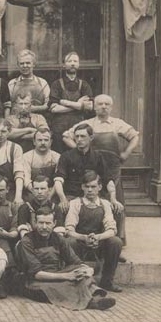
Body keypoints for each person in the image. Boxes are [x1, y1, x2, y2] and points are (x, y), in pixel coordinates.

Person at [62, 94, 139, 243]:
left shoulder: (118, 124)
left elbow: (135, 136)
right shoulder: (87, 124)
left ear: (111, 107)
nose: (103, 107)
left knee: (115, 202)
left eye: (106, 104)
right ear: (94, 107)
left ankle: (117, 238)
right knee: (92, 202)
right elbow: (66, 136)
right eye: (100, 104)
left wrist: (126, 153)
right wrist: (80, 149)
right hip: (93, 167)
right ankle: (90, 236)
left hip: (112, 167)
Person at [18, 208, 116, 311]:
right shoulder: (27, 241)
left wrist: (87, 269)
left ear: (54, 223)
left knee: (80, 273)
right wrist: (67, 276)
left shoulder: (58, 238)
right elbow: (36, 273)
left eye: (48, 223)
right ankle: (92, 302)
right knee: (61, 286)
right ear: (35, 223)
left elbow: (74, 260)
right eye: (41, 223)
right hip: (36, 280)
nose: (44, 227)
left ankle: (95, 295)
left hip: (58, 272)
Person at [64, 171, 124, 293]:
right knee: (69, 242)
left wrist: (98, 237)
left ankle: (107, 281)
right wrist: (84, 237)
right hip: (80, 242)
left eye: (93, 187)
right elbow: (69, 230)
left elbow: (112, 230)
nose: (90, 190)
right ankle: (75, 281)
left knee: (116, 242)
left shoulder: (105, 204)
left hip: (99, 243)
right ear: (82, 187)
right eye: (87, 187)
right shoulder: (75, 203)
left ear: (100, 187)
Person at [54, 124, 121, 217]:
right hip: (72, 196)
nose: (79, 139)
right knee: (60, 210)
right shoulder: (66, 156)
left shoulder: (98, 156)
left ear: (91, 137)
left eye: (83, 136)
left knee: (118, 210)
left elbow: (108, 180)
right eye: (77, 136)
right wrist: (63, 199)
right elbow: (58, 180)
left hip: (93, 195)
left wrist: (113, 199)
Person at [48, 51, 94, 153]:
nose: (72, 63)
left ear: (78, 64)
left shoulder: (84, 85)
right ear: (64, 65)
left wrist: (66, 103)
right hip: (59, 127)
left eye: (75, 61)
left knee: (78, 155)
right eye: (69, 61)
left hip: (79, 127)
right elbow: (54, 109)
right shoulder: (56, 84)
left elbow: (90, 107)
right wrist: (79, 105)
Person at [16, 174, 65, 239]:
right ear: (32, 190)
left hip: (51, 243)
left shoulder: (56, 208)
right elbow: (23, 232)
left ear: (49, 190)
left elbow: (59, 233)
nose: (39, 192)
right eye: (36, 189)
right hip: (30, 242)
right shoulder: (25, 207)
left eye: (43, 189)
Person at [21, 128, 62, 202]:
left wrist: (50, 195)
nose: (43, 143)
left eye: (46, 140)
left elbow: (58, 179)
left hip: (51, 192)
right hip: (32, 192)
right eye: (39, 140)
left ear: (51, 142)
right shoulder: (26, 157)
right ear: (34, 142)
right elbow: (26, 179)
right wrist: (35, 192)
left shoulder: (57, 157)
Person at [7, 49, 50, 114]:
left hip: (37, 120)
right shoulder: (12, 84)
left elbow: (48, 105)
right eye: (22, 63)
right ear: (18, 65)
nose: (25, 66)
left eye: (28, 63)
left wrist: (33, 108)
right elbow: (8, 105)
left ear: (34, 64)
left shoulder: (42, 83)